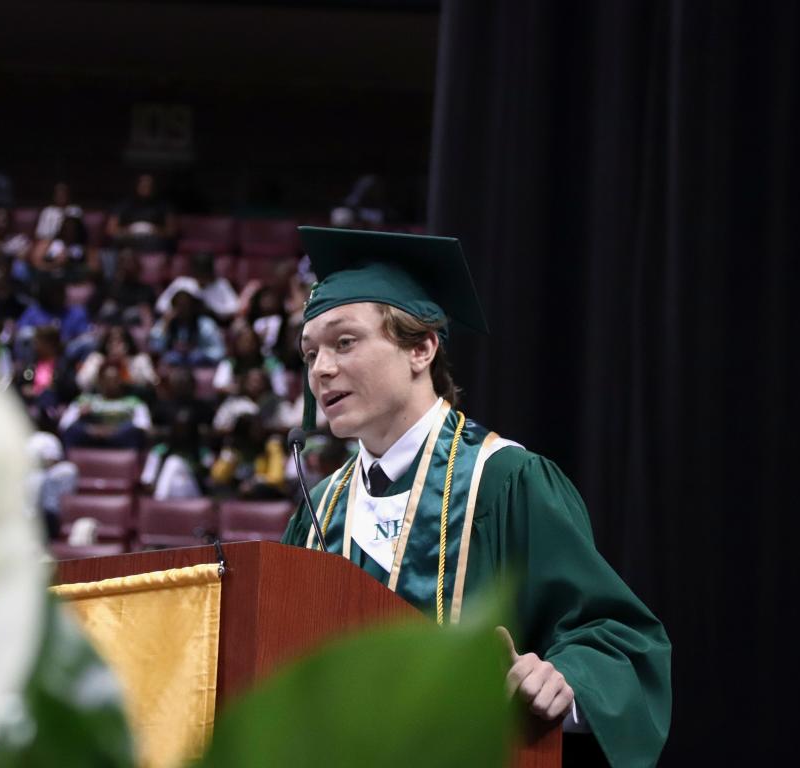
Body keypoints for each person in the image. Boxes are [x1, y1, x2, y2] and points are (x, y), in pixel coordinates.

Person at [281, 227, 671, 768]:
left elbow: (616, 636)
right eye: (310, 352)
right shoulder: (320, 509)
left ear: (421, 347)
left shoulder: (505, 481)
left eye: (344, 342)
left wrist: (564, 678)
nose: (321, 369)